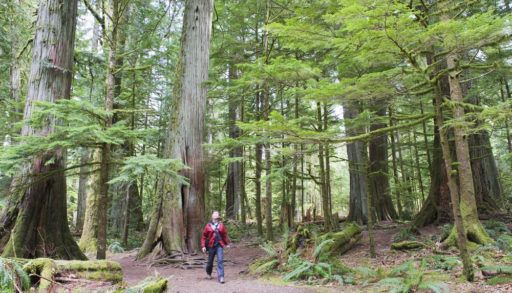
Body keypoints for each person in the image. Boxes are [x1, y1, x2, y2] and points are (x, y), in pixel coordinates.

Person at [201, 211, 230, 283]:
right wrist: (203, 246)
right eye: (215, 217)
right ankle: (208, 273)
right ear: (212, 217)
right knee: (210, 262)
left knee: (220, 261)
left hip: (219, 245)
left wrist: (227, 243)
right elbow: (204, 236)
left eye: (217, 217)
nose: (216, 219)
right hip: (211, 246)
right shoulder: (208, 226)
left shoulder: (221, 225)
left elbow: (224, 235)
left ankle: (221, 277)